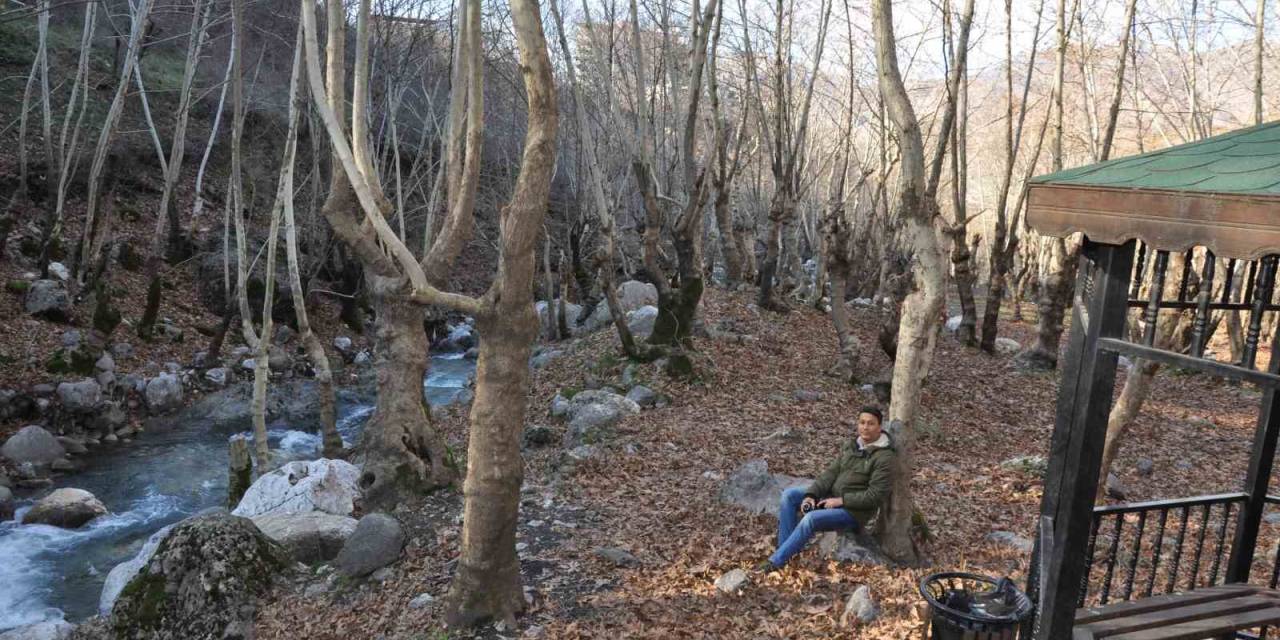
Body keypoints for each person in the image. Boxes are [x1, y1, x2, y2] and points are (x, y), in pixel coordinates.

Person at [757, 406, 896, 572]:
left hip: (853, 512)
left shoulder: (885, 457)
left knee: (810, 519)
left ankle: (776, 562)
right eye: (862, 422)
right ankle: (784, 552)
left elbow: (875, 496)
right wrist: (811, 495)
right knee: (789, 495)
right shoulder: (852, 446)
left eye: (871, 424)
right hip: (832, 499)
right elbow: (830, 474)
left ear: (880, 427)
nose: (865, 427)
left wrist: (841, 501)